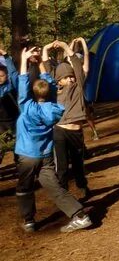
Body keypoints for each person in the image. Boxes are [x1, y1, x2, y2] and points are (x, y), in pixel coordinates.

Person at [14, 46, 91, 233]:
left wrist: (24, 60)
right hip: (46, 155)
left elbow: (23, 83)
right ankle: (80, 216)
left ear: (32, 94)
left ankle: (29, 220)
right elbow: (51, 84)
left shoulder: (27, 107)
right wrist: (40, 62)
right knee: (54, 187)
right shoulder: (56, 108)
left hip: (27, 156)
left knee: (24, 188)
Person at [43, 39, 92, 200]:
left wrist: (65, 47)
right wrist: (45, 48)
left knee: (78, 164)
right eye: (66, 77)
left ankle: (82, 186)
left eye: (71, 76)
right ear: (58, 81)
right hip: (60, 132)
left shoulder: (78, 87)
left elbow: (78, 66)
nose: (70, 79)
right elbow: (47, 69)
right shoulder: (53, 91)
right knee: (62, 167)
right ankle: (63, 193)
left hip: (76, 132)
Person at [0, 43, 20, 144]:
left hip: (14, 123)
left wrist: (6, 55)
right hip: (0, 125)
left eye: (2, 76)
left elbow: (13, 74)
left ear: (6, 76)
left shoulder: (12, 87)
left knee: (16, 149)